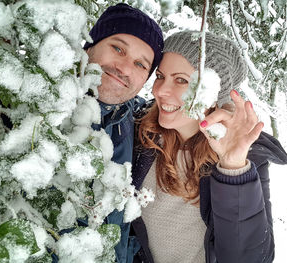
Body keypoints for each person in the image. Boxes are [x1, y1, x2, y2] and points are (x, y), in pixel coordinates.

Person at [130, 31, 287, 263]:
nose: (160, 90)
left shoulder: (246, 156)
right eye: (161, 76)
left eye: (182, 80)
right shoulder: (141, 133)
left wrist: (233, 168)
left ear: (214, 93)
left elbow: (250, 258)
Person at [81, 3, 163, 263]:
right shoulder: (29, 107)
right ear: (89, 45)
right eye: (118, 48)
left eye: (140, 64)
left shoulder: (132, 118)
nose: (125, 69)